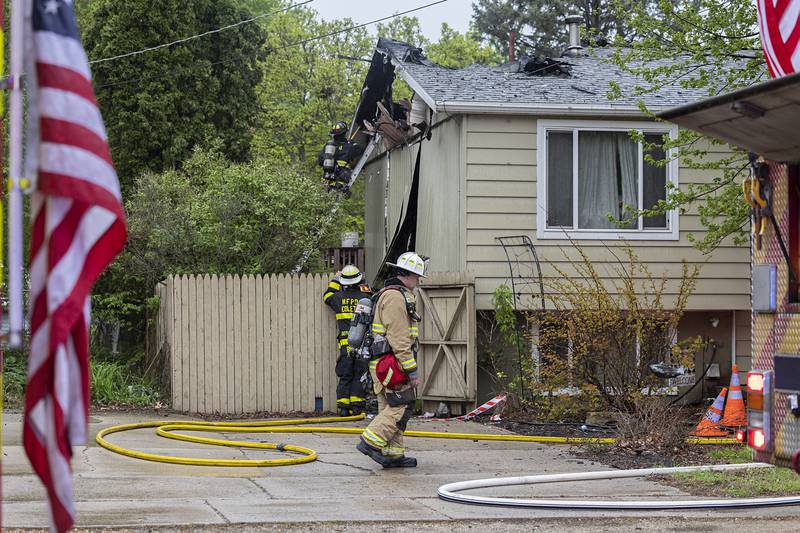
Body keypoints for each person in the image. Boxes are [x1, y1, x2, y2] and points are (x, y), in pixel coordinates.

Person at [356, 251, 427, 468]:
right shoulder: (396, 298)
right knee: (402, 403)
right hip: (392, 363)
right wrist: (412, 372)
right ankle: (370, 441)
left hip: (383, 363)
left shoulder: (389, 294)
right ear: (407, 275)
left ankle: (393, 454)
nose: (418, 281)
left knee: (390, 406)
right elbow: (399, 339)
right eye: (417, 276)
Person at [322, 265, 372, 416]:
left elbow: (327, 296)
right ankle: (357, 405)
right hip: (362, 344)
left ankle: (344, 407)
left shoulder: (337, 298)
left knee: (345, 374)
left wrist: (335, 280)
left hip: (345, 344)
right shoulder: (366, 298)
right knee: (359, 373)